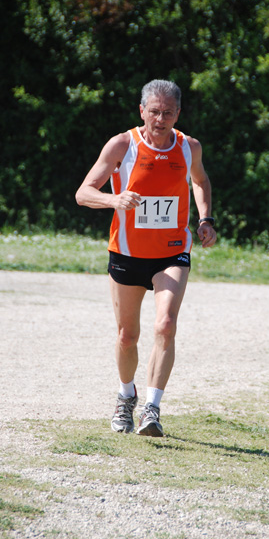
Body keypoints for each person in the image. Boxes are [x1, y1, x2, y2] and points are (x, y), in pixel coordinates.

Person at [76, 79, 217, 436]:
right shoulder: (123, 144)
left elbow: (199, 181)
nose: (160, 118)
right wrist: (114, 200)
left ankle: (151, 409)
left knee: (165, 325)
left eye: (168, 112)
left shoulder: (189, 148)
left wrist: (205, 219)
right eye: (154, 111)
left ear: (178, 113)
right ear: (142, 111)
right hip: (127, 252)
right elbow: (83, 193)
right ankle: (126, 397)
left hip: (172, 251)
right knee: (127, 335)